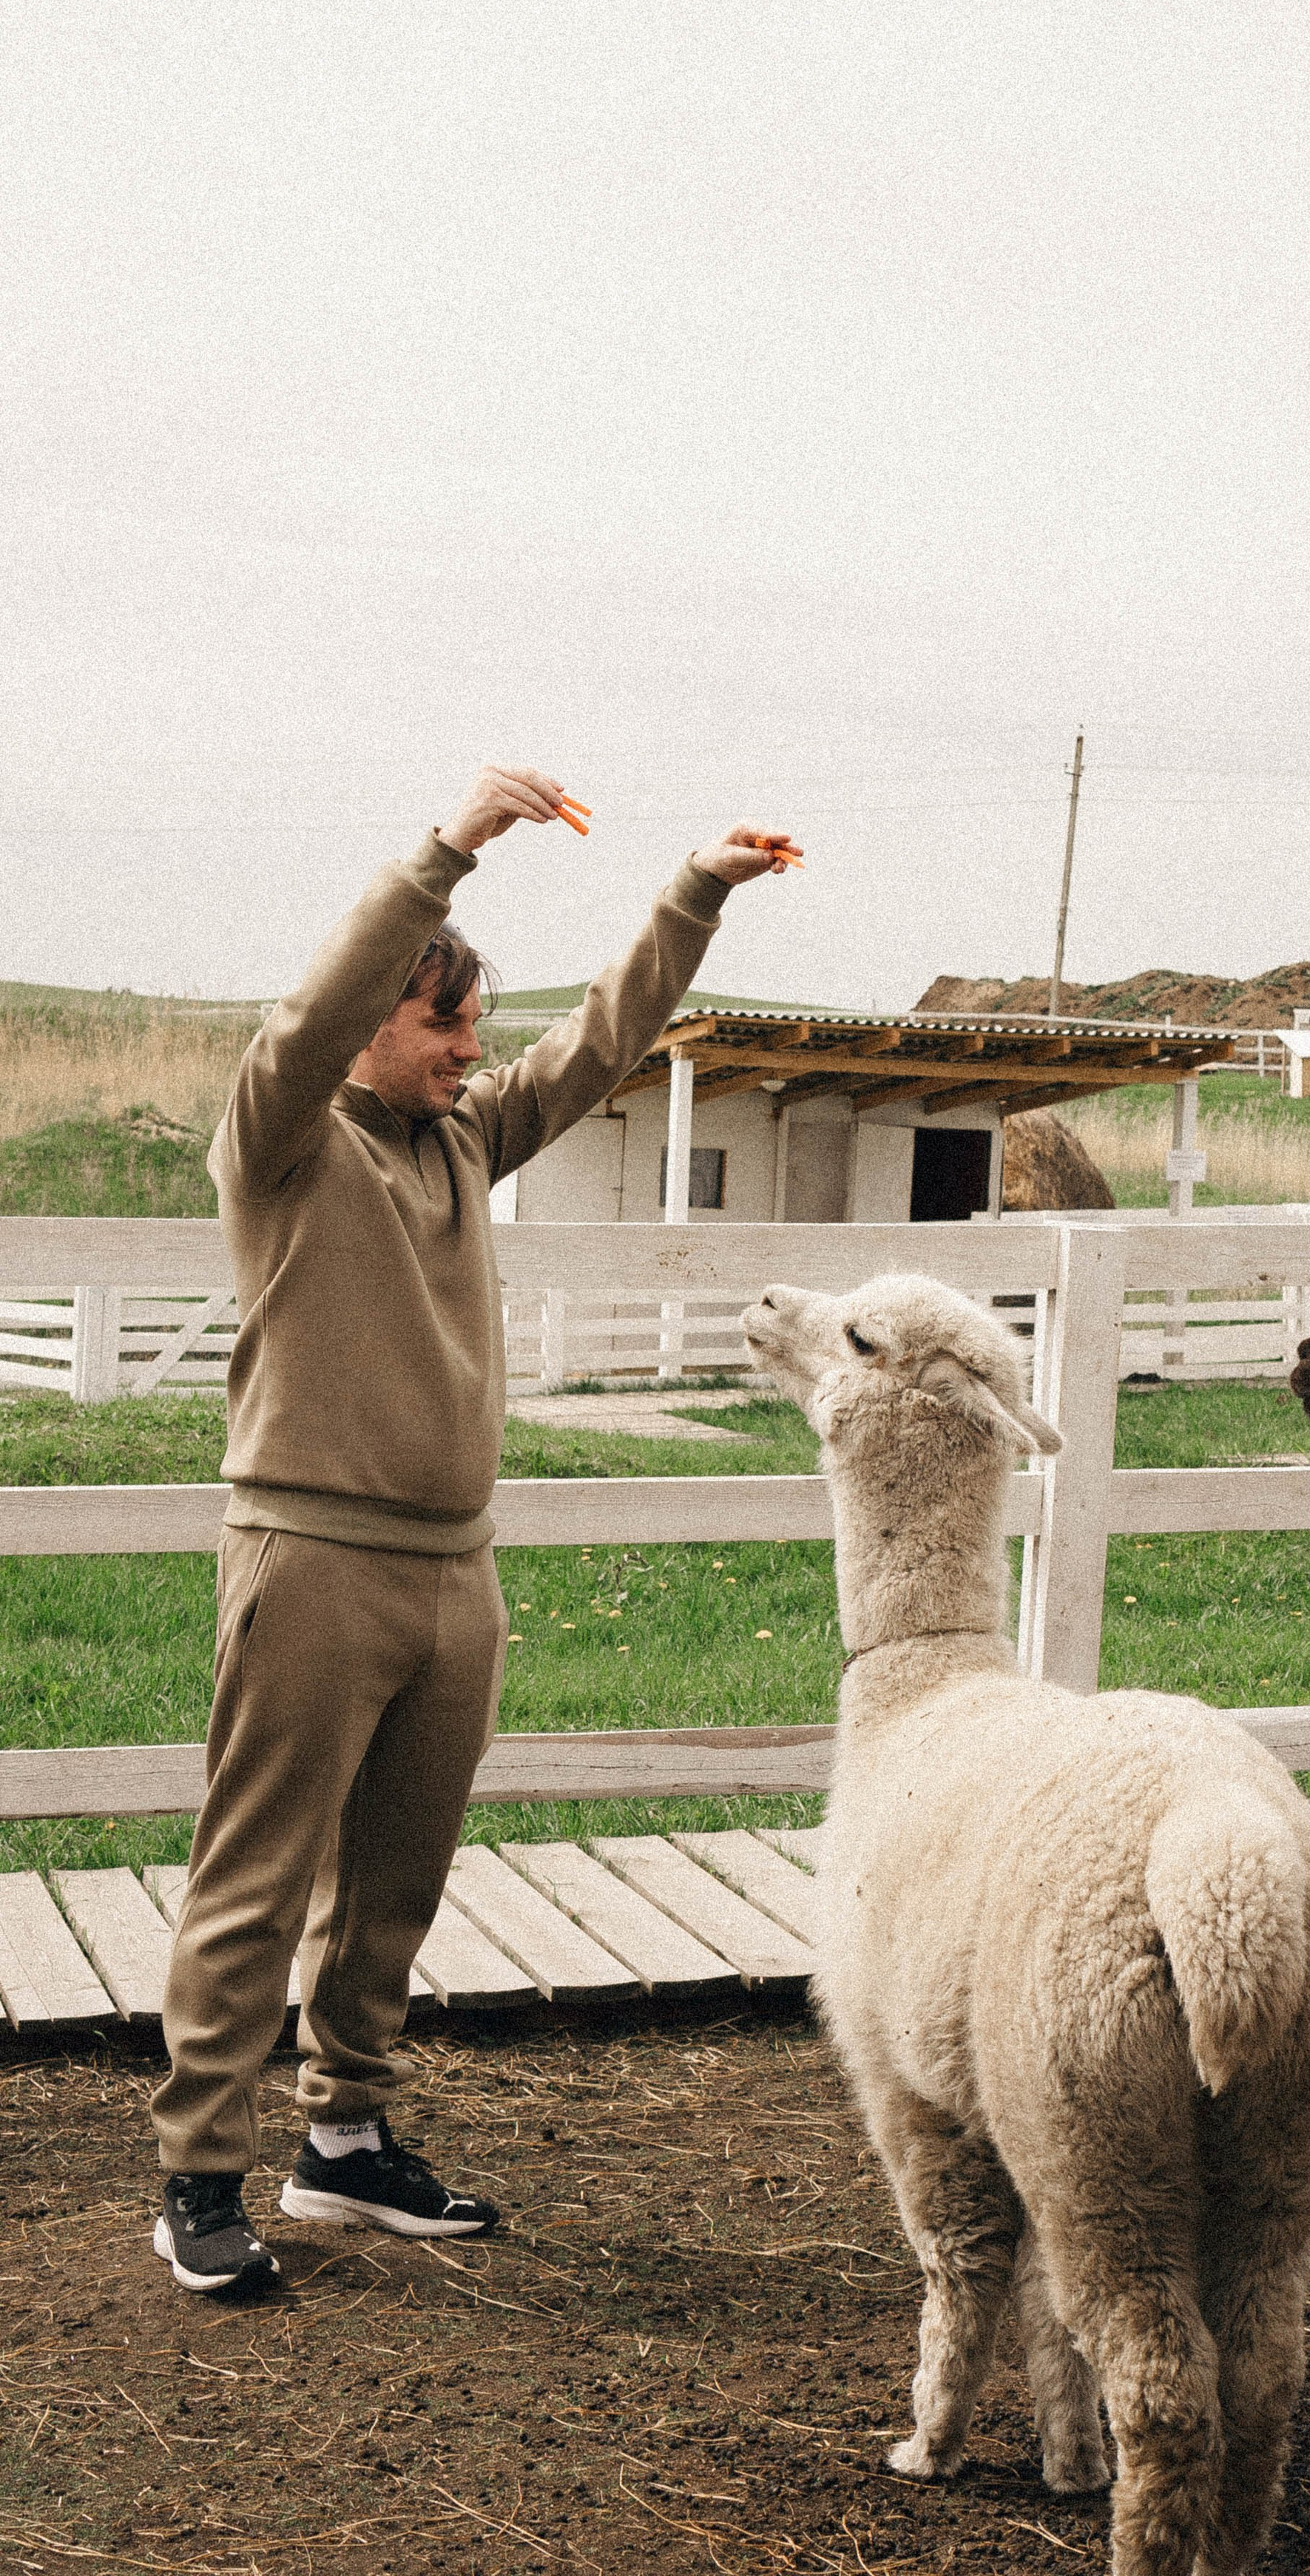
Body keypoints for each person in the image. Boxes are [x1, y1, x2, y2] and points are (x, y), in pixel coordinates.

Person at [151, 764, 791, 2294]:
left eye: (470, 1029)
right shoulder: (286, 1142)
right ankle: (196, 2176)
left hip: (454, 1572)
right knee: (255, 1878)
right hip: (308, 1565)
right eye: (444, 1024)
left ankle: (346, 2147)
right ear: (380, 1018)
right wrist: (454, 850)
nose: (469, 1050)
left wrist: (689, 893)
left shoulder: (459, 1142)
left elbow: (595, 1047)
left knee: (397, 1885)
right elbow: (305, 1020)